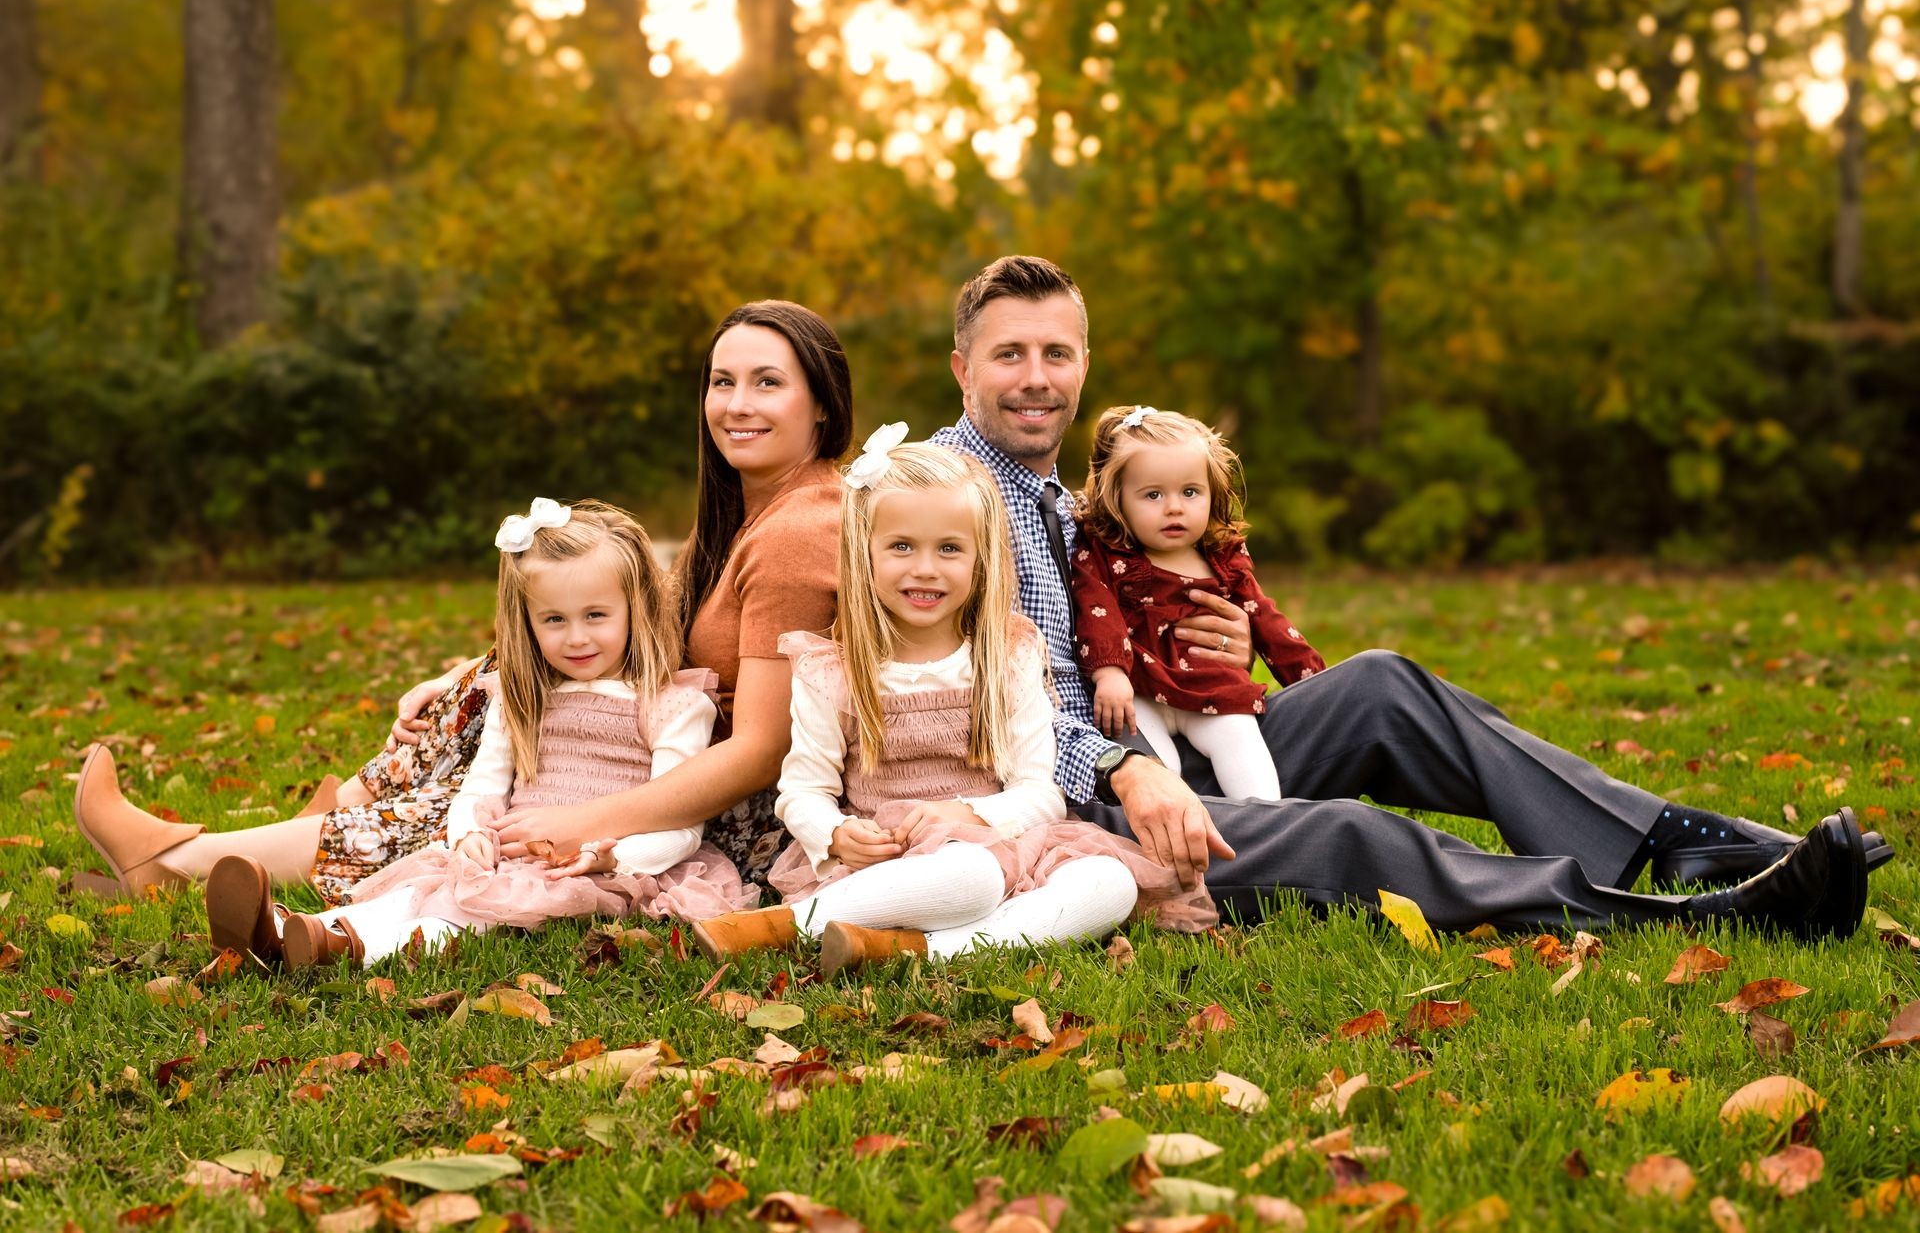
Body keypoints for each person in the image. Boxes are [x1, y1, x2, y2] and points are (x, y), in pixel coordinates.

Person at [930, 254, 1889, 939]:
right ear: (964, 370)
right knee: (1347, 834)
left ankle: (1677, 837)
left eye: (1056, 353)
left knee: (1381, 683)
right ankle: (1667, 919)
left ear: (1085, 365)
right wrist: (1121, 763)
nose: (1036, 379)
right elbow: (963, 697)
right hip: (1064, 806)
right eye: (1009, 355)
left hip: (1169, 746)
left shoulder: (1073, 497)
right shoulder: (938, 496)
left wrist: (1216, 654)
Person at [73, 300, 854, 909]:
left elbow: (759, 751)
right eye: (723, 381)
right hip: (649, 742)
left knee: (476, 798)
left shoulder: (796, 532)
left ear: (821, 405)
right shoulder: (752, 510)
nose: (736, 404)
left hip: (715, 801)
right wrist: (459, 676)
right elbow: (642, 635)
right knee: (493, 696)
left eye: (768, 382)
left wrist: (588, 821)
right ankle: (260, 841)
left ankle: (185, 860)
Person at [690, 438, 1209, 977]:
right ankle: (791, 923)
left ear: (980, 558)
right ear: (862, 552)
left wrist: (970, 815)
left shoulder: (1007, 657)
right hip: (894, 862)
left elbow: (1040, 791)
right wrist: (835, 834)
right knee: (970, 877)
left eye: (949, 549)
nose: (926, 569)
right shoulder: (833, 672)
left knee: (1110, 883)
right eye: (901, 547)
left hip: (1006, 843)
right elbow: (805, 789)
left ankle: (922, 951)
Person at [206, 501, 756, 967]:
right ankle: (286, 930)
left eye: (596, 615)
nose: (576, 638)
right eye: (554, 620)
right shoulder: (519, 695)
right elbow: (483, 786)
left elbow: (680, 825)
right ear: (527, 622)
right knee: (424, 887)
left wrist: (606, 856)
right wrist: (468, 833)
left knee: (468, 913)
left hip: (602, 867)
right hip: (508, 851)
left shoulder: (672, 704)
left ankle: (347, 947)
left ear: (635, 609)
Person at [1071, 404, 1323, 800]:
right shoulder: (1107, 556)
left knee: (1241, 743)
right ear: (1118, 499)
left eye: (1190, 492)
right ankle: (1179, 830)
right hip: (1137, 687)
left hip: (1209, 686)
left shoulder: (1223, 560)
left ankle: (1265, 822)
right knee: (1156, 769)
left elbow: (1268, 622)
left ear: (1212, 493)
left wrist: (1313, 682)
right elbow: (1096, 612)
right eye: (1153, 494)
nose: (1174, 507)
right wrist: (1109, 674)